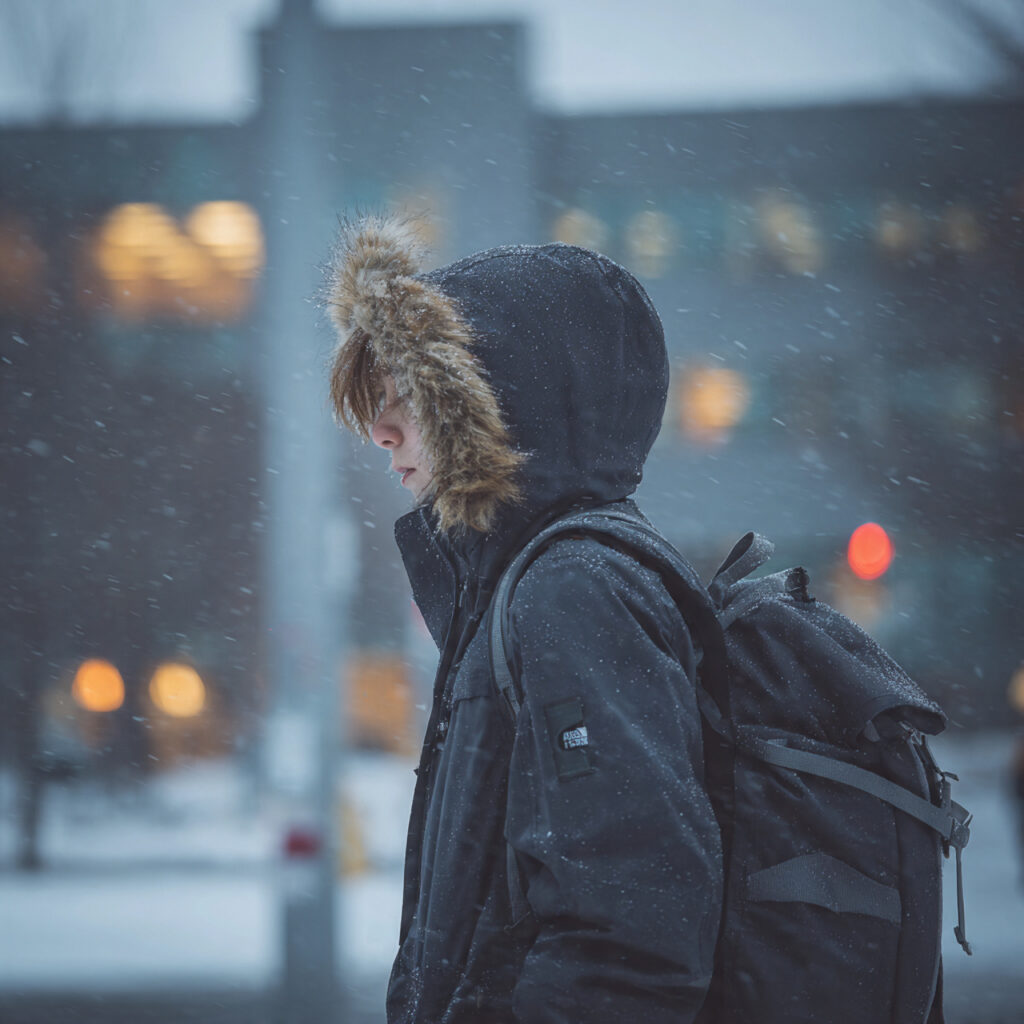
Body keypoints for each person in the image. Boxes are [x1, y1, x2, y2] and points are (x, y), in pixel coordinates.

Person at [327, 215, 723, 1023]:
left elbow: (631, 936)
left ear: (503, 407)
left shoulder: (572, 590)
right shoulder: (529, 583)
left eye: (409, 398)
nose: (381, 431)